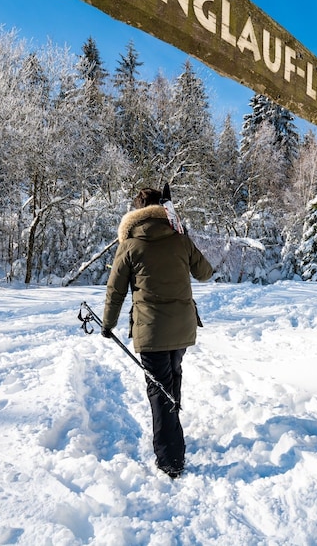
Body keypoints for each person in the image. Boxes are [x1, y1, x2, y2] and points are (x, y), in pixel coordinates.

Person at [102, 187, 214, 478]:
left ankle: (170, 460)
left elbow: (115, 291)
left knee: (159, 390)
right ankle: (173, 437)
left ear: (135, 212)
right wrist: (185, 238)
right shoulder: (179, 237)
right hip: (182, 327)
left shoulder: (129, 245)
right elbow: (205, 272)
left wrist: (108, 324)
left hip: (151, 330)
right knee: (171, 378)